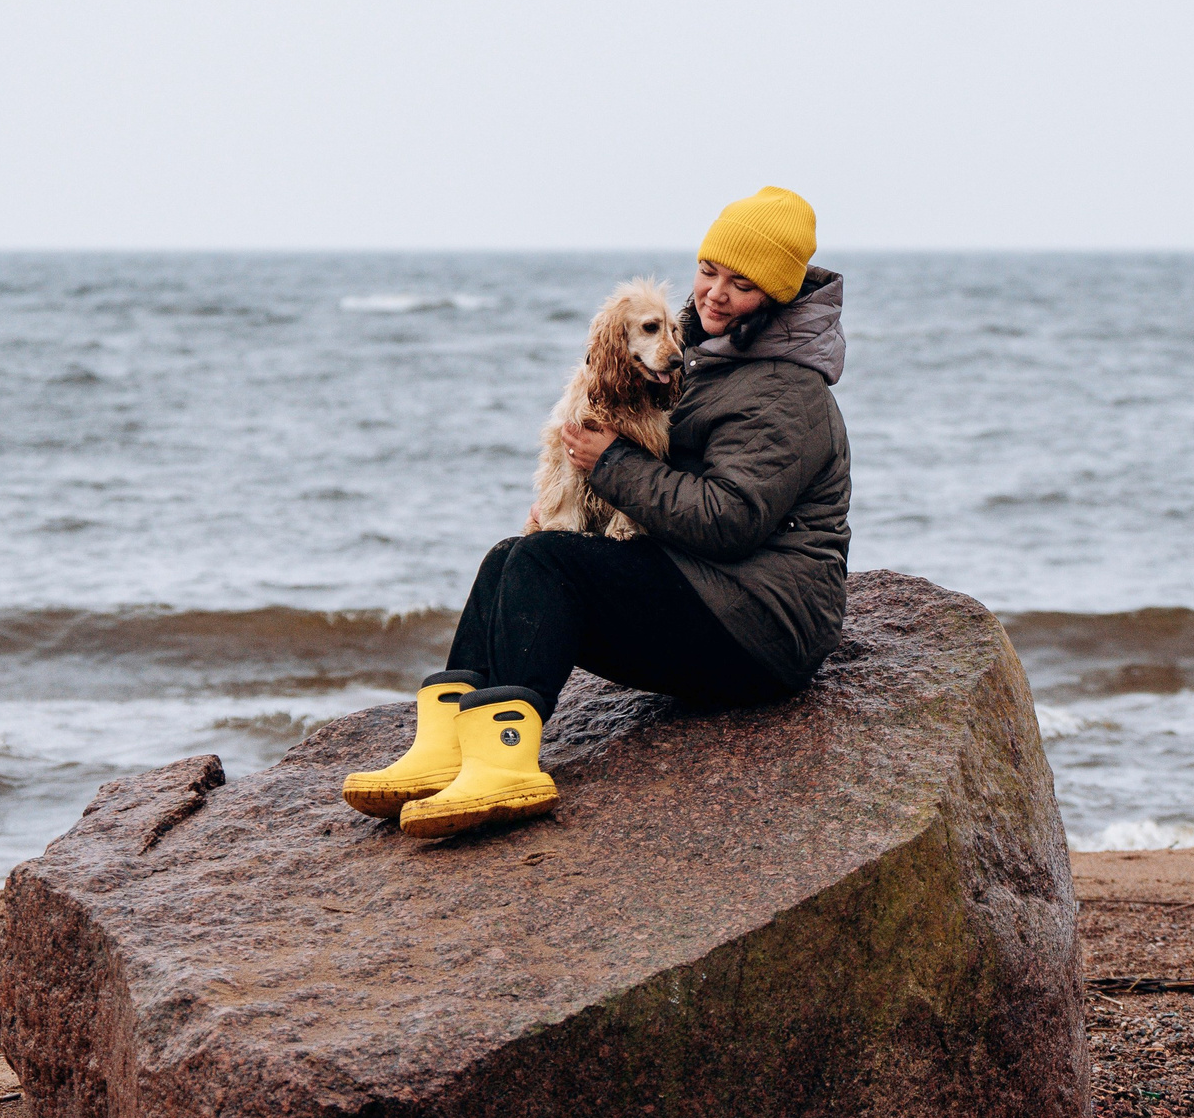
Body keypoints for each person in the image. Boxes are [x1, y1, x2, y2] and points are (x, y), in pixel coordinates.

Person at [343, 186, 852, 838]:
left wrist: (610, 465)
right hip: (706, 588)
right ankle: (447, 745)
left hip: (763, 628)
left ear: (776, 296)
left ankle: (506, 767)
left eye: (742, 284)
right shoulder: (699, 355)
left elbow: (730, 520)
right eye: (708, 270)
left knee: (552, 564)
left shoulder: (786, 389)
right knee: (513, 557)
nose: (714, 294)